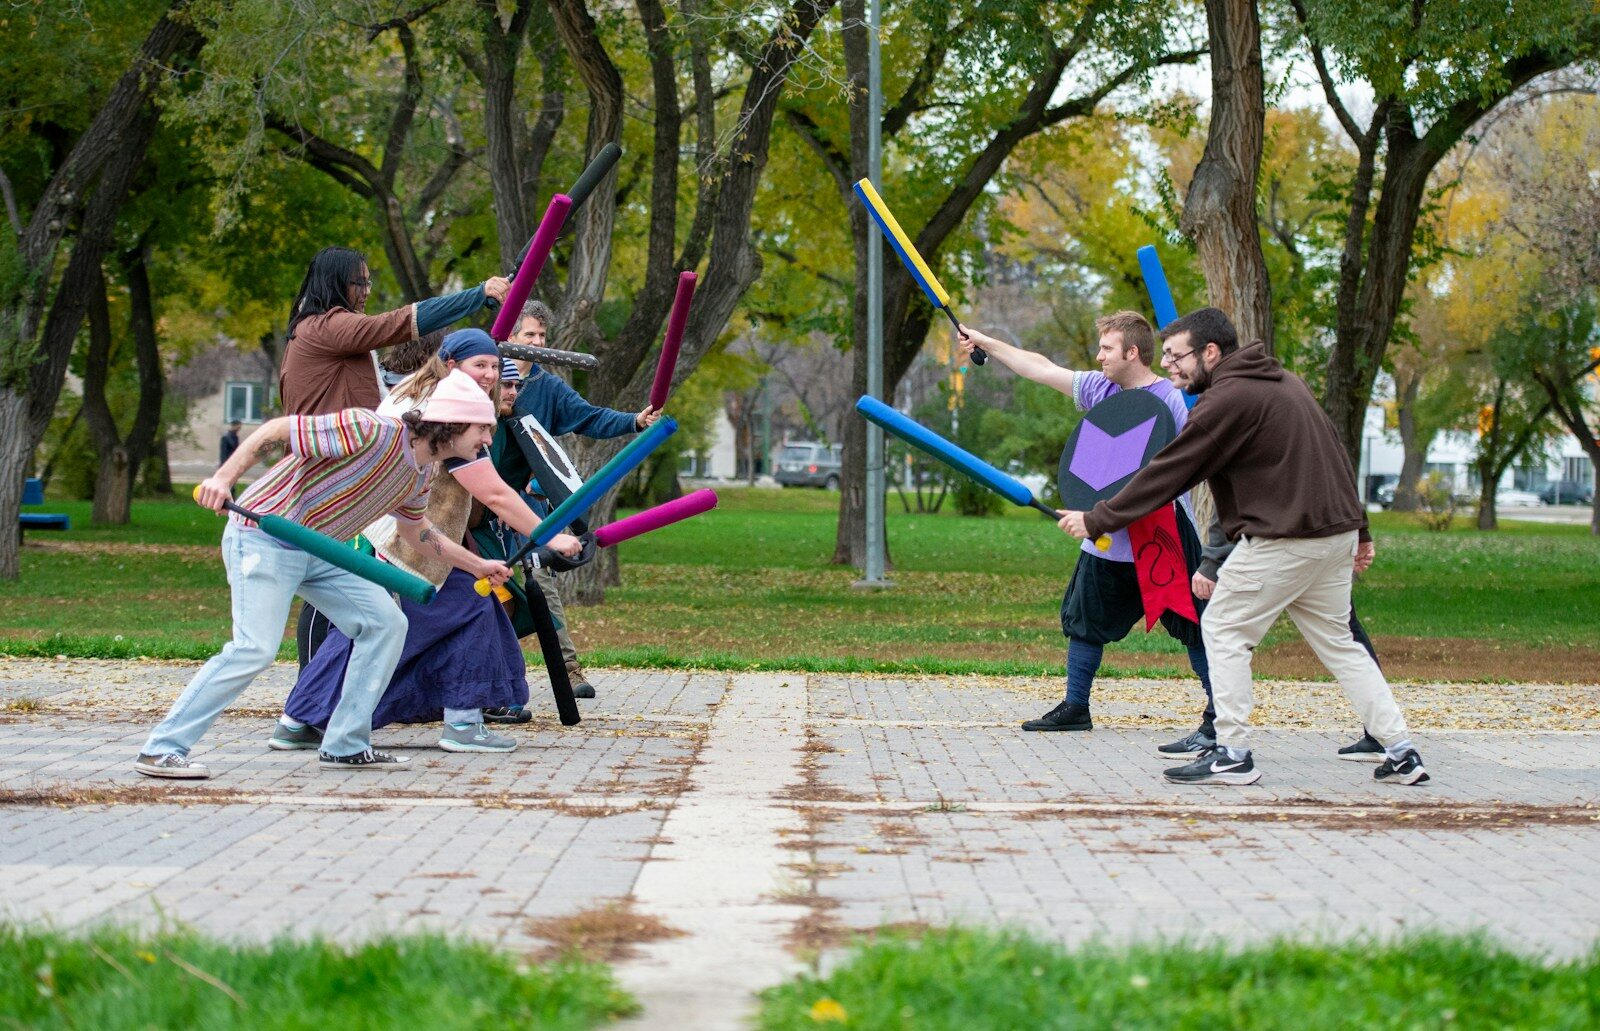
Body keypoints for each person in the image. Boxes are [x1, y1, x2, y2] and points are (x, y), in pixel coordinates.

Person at [1057, 307, 1428, 786]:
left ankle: (1231, 752)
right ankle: (1400, 750)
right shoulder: (1285, 383)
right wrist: (1360, 529)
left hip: (1285, 539)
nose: (1170, 367)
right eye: (1166, 357)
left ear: (1210, 352)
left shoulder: (1224, 402)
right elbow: (1335, 450)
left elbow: (1169, 471)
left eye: (1177, 357)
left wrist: (1098, 518)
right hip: (1331, 536)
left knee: (1224, 629)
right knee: (1341, 645)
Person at [133, 377, 513, 780]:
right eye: (482, 428)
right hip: (265, 536)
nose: (487, 439)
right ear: (452, 425)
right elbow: (275, 430)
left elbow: (416, 532)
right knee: (255, 649)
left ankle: (346, 744)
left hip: (320, 550)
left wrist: (476, 565)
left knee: (385, 624)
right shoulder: (371, 430)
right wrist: (223, 479)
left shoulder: (421, 473)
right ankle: (161, 749)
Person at [276, 344, 582, 754]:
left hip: (405, 539)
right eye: (482, 365)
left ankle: (300, 720)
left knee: (395, 626)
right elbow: (495, 493)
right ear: (453, 364)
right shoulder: (449, 415)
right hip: (407, 547)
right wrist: (553, 536)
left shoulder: (423, 393)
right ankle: (459, 724)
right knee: (411, 624)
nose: (492, 375)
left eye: (496, 367)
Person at [959, 313, 1213, 738]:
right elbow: (1040, 367)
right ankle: (1076, 706)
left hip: (1161, 533)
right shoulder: (1101, 389)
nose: (1098, 357)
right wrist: (987, 340)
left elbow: (1196, 463)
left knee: (1196, 626)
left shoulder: (1171, 398)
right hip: (1107, 533)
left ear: (1133, 352)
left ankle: (1219, 714)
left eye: (1107, 349)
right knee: (1084, 618)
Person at [504, 299, 662, 700]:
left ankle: (567, 667)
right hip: (473, 504)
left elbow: (589, 417)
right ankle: (492, 678)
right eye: (529, 335)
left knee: (538, 579)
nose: (537, 342)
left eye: (542, 335)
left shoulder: (547, 388)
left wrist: (633, 421)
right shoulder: (481, 378)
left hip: (523, 508)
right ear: (509, 336)